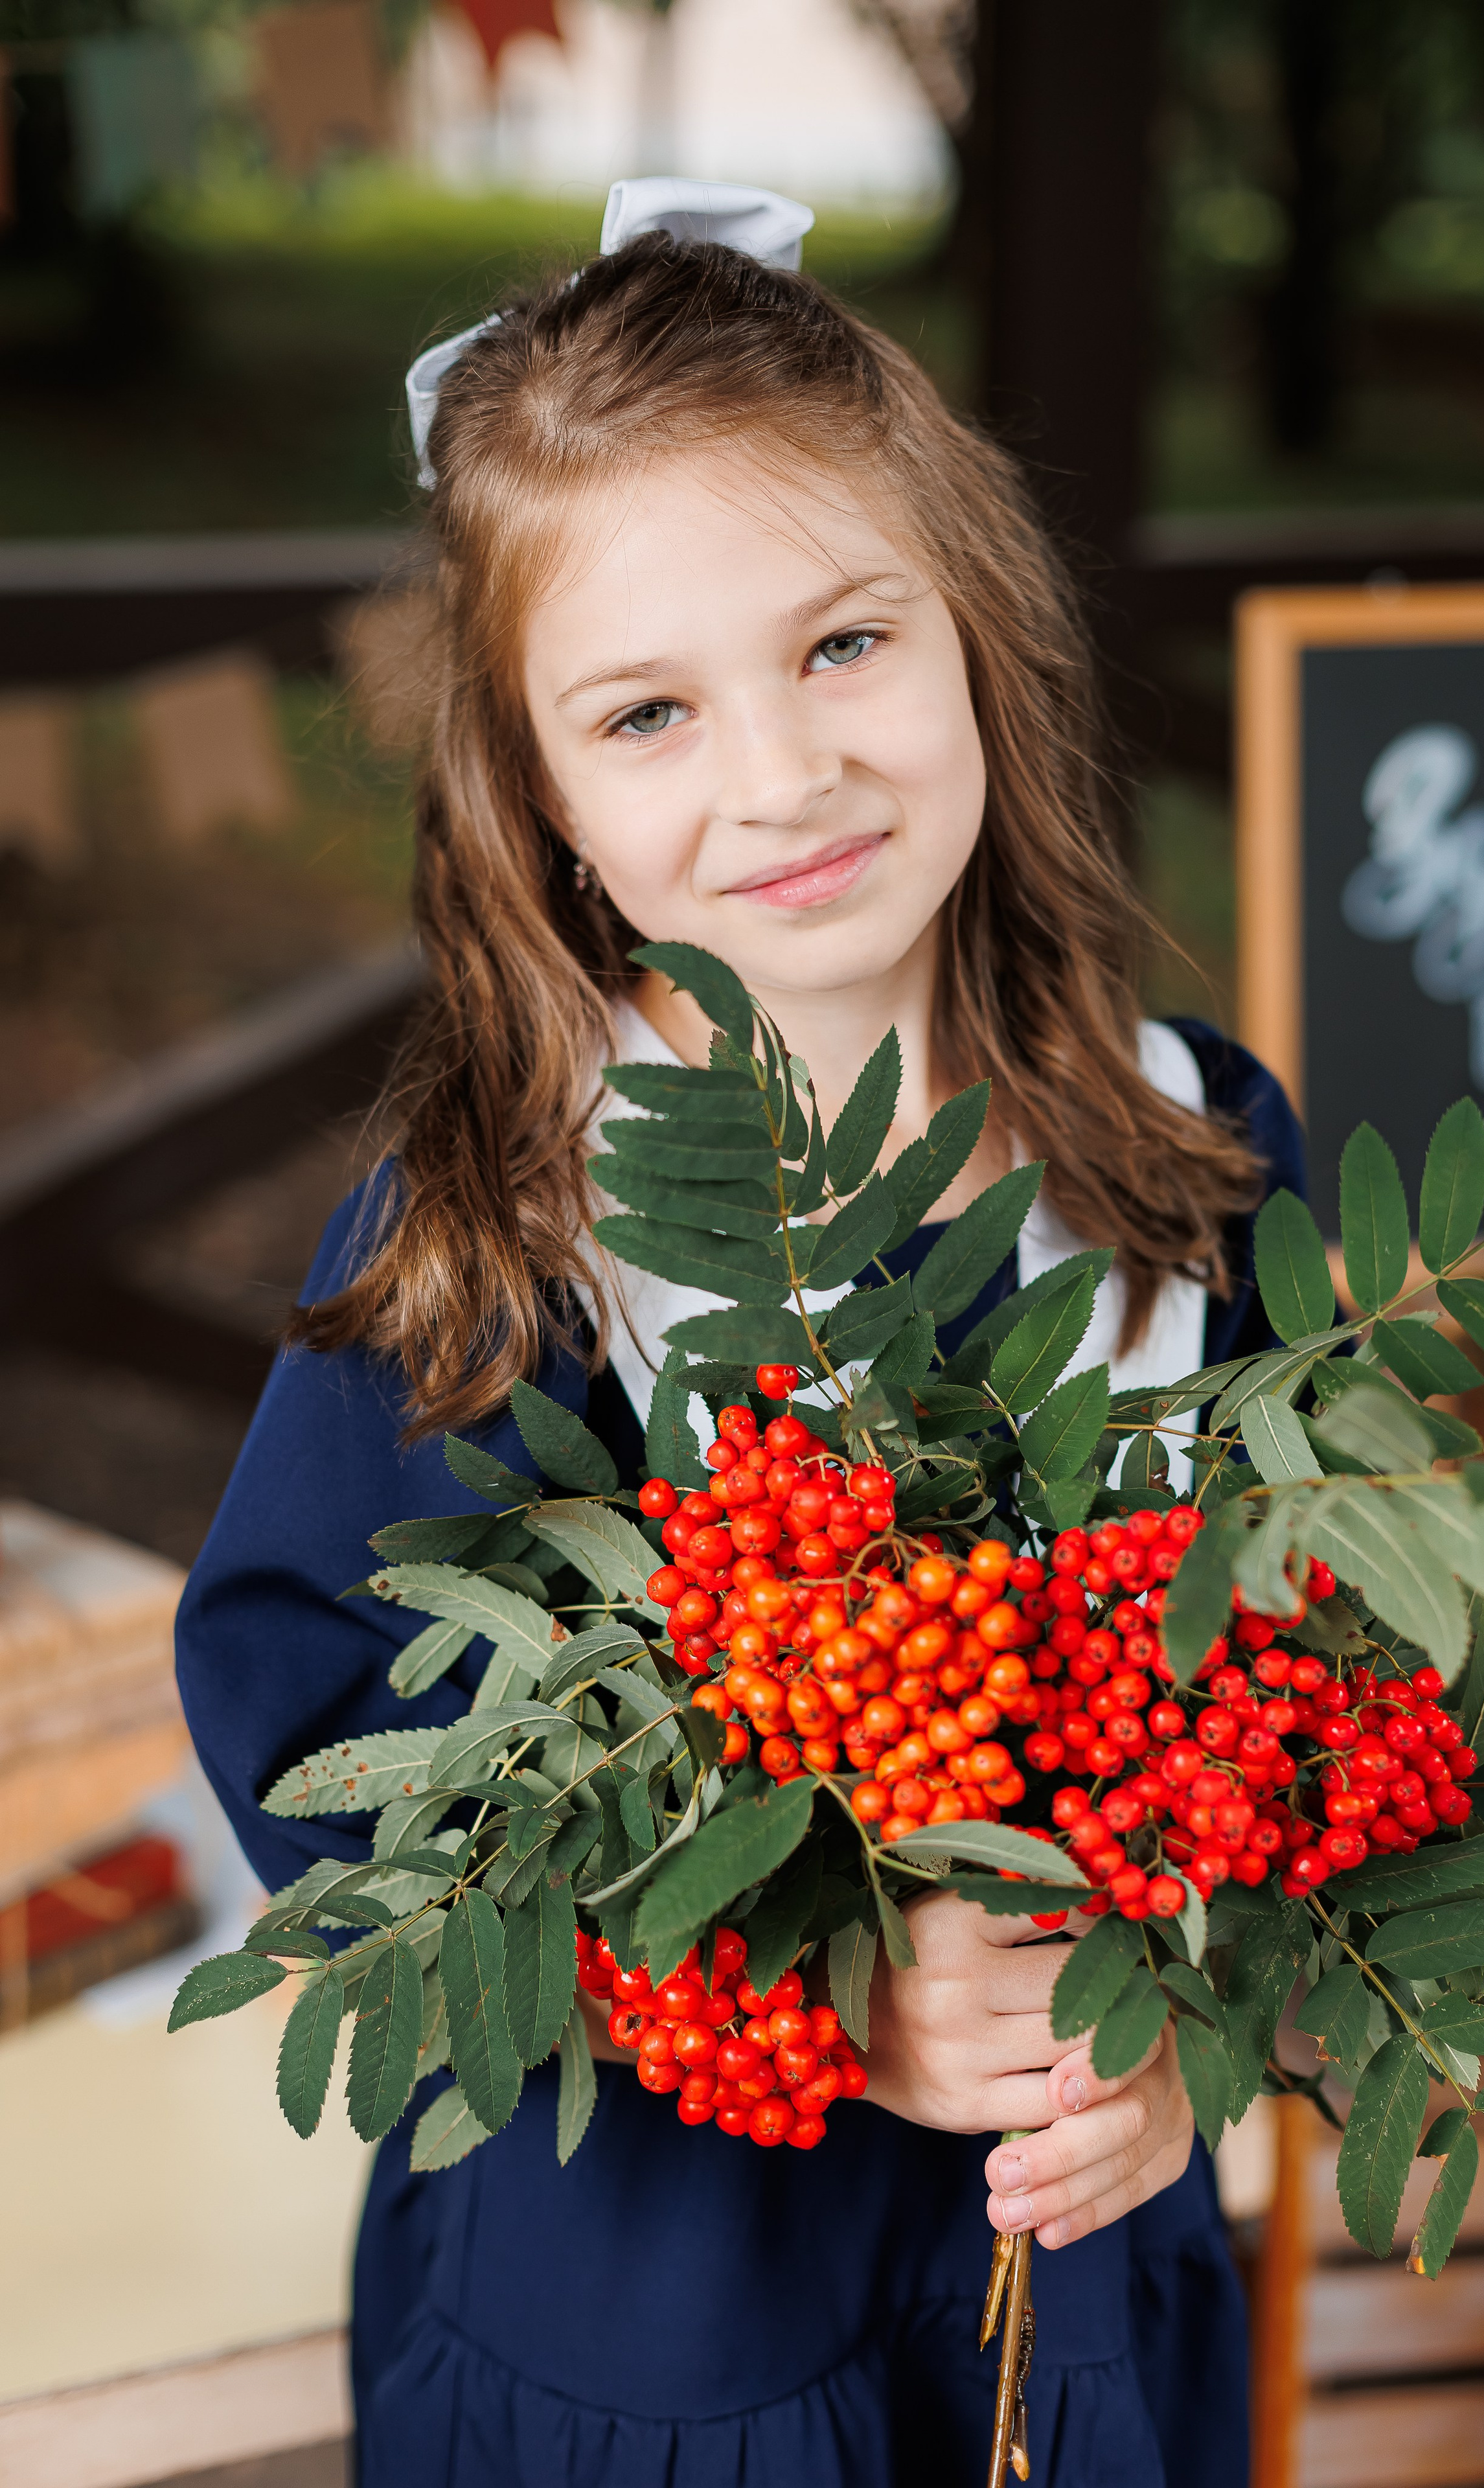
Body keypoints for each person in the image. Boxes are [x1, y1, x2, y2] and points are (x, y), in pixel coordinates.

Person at [176, 180, 1303, 2488]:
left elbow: (1321, 1721)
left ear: (975, 627)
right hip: (663, 2360)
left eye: (844, 646)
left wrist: (1208, 2025)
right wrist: (811, 1991)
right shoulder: (503, 1257)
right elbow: (349, 1808)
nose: (781, 777)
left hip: (1081, 2326)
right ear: (547, 803)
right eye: (649, 710)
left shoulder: (1196, 1164)